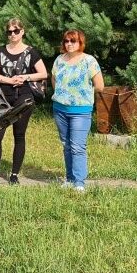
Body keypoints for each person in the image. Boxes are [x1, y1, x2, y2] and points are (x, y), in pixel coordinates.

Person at [0, 18, 48, 186]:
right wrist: (9, 80)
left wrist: (25, 77)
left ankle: (14, 175)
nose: (13, 34)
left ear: (22, 32)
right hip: (3, 97)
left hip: (24, 95)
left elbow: (43, 73)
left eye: (16, 31)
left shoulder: (31, 52)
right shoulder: (0, 52)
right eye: (10, 31)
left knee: (19, 134)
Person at [51, 29, 104, 191]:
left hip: (81, 111)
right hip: (59, 109)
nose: (69, 44)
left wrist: (82, 93)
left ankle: (79, 183)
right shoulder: (59, 60)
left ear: (80, 43)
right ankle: (69, 178)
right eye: (66, 41)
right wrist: (61, 94)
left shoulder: (89, 61)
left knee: (77, 146)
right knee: (66, 145)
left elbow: (100, 86)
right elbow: (54, 80)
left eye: (73, 41)